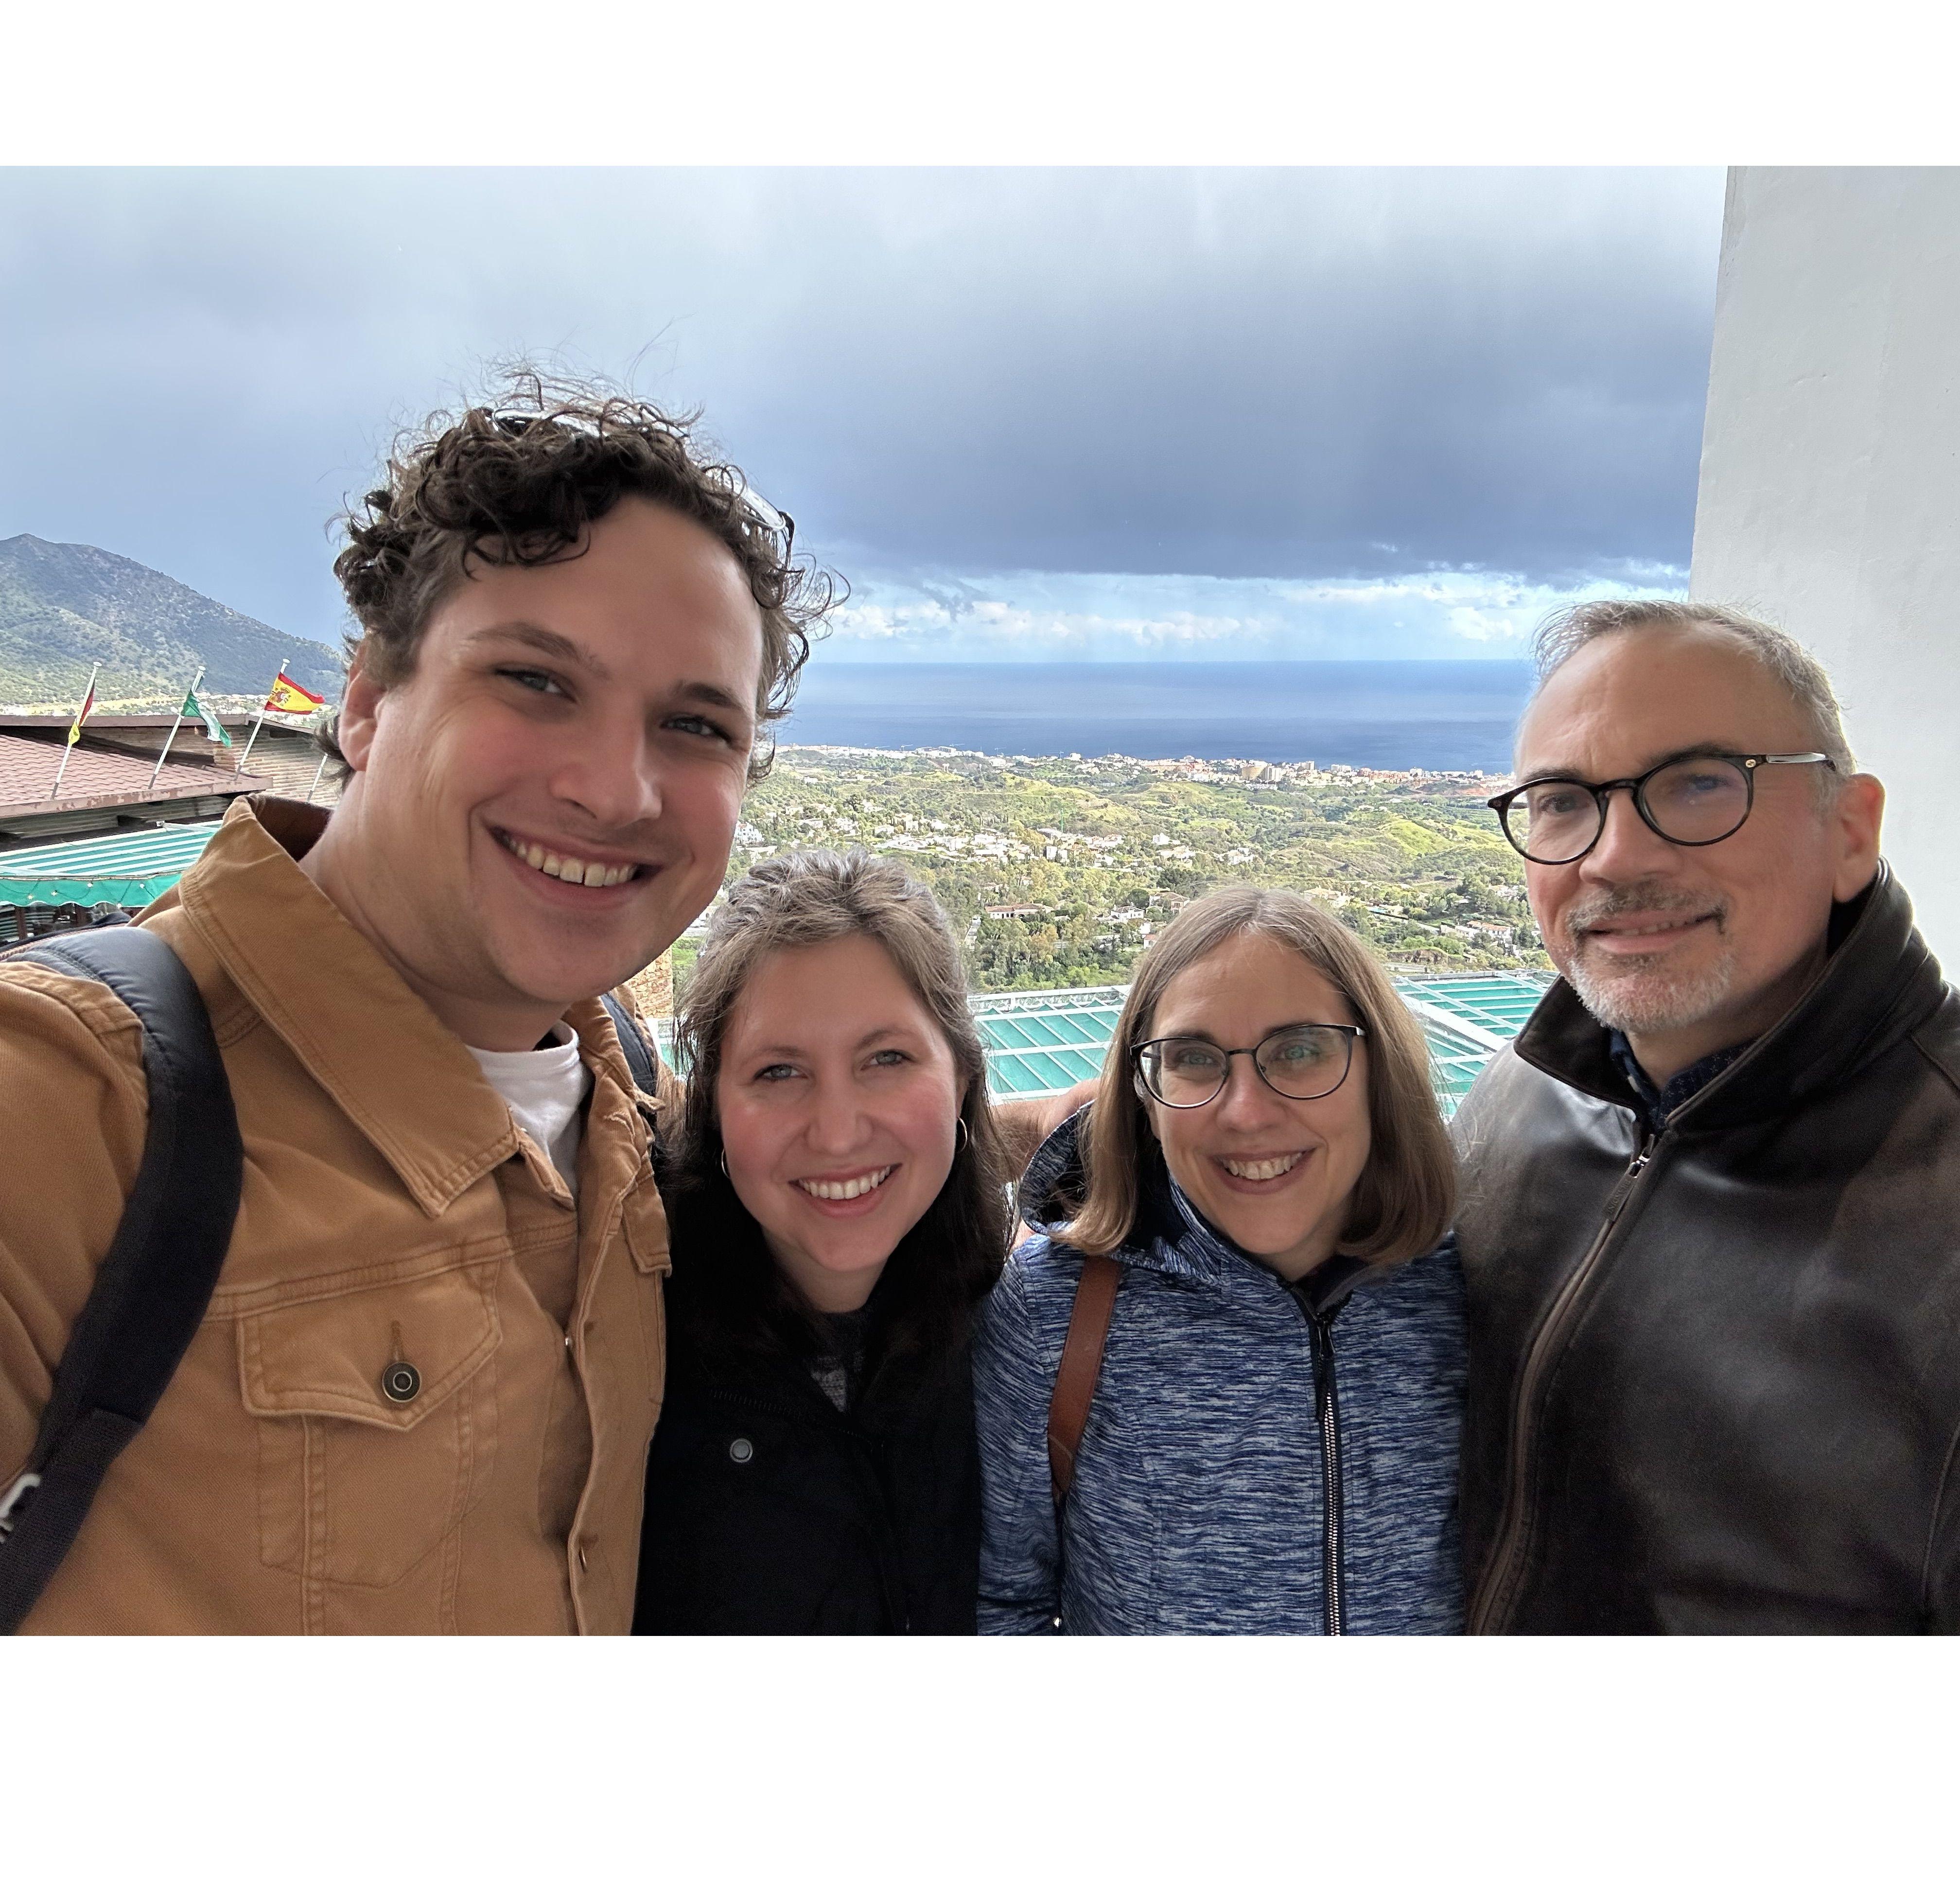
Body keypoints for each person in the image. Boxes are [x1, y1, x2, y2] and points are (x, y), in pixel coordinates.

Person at [0, 375, 834, 1633]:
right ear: (369, 701)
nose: (617, 789)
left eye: (695, 725)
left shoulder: (626, 1105)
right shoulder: (68, 1103)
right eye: (538, 682)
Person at [1453, 597, 1960, 1634]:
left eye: (1696, 784)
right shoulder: (1519, 1095)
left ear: (1850, 831)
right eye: (1561, 801)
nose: (1616, 858)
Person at [974, 885, 1466, 1635]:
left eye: (1300, 1050)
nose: (1246, 1111)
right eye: (1194, 1059)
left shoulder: (1475, 1284)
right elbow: (1000, 1606)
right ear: (1145, 1090)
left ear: (1377, 1068)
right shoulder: (1052, 1315)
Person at [634, 849, 1009, 1635]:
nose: (838, 1133)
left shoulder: (1024, 1337)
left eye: (887, 1059)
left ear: (964, 1079)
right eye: (778, 1072)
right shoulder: (621, 1348)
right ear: (714, 1109)